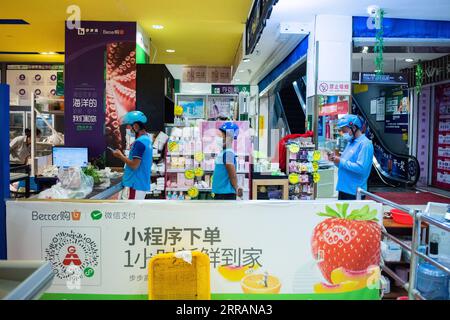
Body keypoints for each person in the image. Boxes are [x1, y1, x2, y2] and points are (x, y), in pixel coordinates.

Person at [329, 114, 373, 200]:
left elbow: (361, 168)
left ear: (353, 128)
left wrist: (340, 161)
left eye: (344, 131)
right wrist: (336, 160)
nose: (343, 134)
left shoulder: (365, 144)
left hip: (354, 191)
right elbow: (345, 164)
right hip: (343, 189)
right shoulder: (350, 142)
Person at [112, 111, 152, 200]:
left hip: (135, 184)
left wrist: (120, 156)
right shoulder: (147, 139)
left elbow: (134, 165)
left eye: (129, 126)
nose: (128, 129)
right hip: (141, 182)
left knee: (133, 211)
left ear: (136, 126)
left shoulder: (139, 142)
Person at [212, 122, 243, 200]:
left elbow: (232, 173)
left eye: (222, 136)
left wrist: (236, 187)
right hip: (221, 192)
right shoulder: (224, 152)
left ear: (230, 137)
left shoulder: (228, 152)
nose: (220, 138)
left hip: (225, 193)